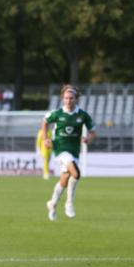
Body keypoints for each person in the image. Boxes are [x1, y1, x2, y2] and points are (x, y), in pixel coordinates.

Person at [42, 85, 96, 220]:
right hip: (60, 148)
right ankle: (69, 203)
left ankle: (52, 203)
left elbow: (93, 131)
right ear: (62, 98)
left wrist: (88, 138)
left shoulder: (82, 115)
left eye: (71, 98)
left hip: (74, 150)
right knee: (76, 174)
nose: (68, 100)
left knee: (65, 179)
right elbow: (45, 122)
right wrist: (46, 138)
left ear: (76, 99)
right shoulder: (57, 113)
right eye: (66, 98)